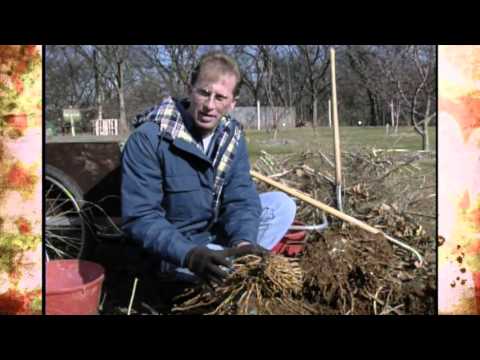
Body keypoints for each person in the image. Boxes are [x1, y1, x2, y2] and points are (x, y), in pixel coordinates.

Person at [121, 52, 296, 286]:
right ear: (190, 89)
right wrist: (190, 255)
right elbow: (141, 218)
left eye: (220, 97)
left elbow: (241, 197)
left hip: (213, 233)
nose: (209, 106)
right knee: (220, 266)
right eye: (204, 93)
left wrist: (244, 242)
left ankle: (235, 262)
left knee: (281, 204)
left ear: (233, 103)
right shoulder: (149, 138)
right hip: (174, 251)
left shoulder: (231, 137)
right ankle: (213, 276)